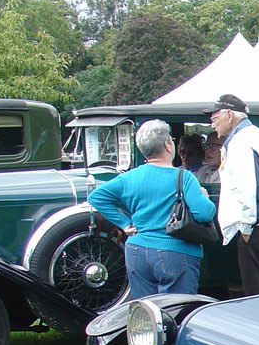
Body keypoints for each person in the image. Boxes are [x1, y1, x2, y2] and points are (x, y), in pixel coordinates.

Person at [88, 119, 215, 298]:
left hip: (136, 251)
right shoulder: (184, 177)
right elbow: (204, 213)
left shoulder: (129, 177)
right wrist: (204, 197)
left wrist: (124, 223)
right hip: (176, 252)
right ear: (168, 145)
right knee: (176, 312)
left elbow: (96, 197)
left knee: (146, 315)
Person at [206, 94, 259, 295]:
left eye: (215, 118)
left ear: (229, 115)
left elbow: (249, 188)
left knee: (258, 292)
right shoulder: (255, 136)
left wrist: (246, 226)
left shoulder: (242, 141)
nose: (212, 124)